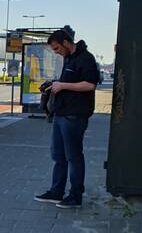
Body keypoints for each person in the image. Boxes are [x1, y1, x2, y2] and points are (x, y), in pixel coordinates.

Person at [34, 28, 101, 209]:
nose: (56, 53)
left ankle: (75, 195)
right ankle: (57, 191)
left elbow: (90, 84)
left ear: (65, 43)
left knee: (73, 156)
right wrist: (55, 85)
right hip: (61, 113)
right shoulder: (68, 59)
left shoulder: (86, 58)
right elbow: (71, 83)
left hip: (75, 115)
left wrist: (62, 85)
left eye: (56, 49)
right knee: (58, 155)